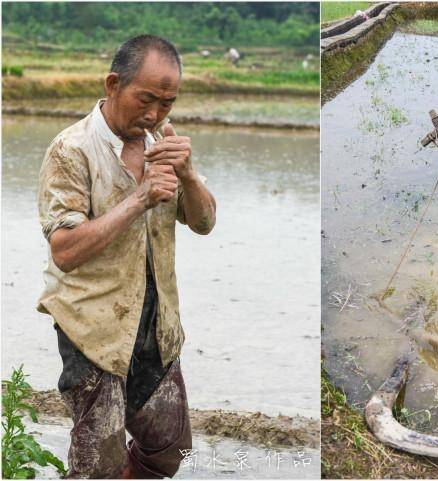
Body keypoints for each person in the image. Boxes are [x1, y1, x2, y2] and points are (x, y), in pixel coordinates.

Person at [37, 35, 216, 478]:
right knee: (98, 464)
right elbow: (64, 251)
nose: (154, 114)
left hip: (156, 328)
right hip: (92, 331)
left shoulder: (165, 144)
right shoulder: (71, 150)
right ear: (114, 84)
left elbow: (204, 222)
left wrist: (188, 175)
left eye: (167, 103)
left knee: (171, 449)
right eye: (146, 99)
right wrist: (139, 199)